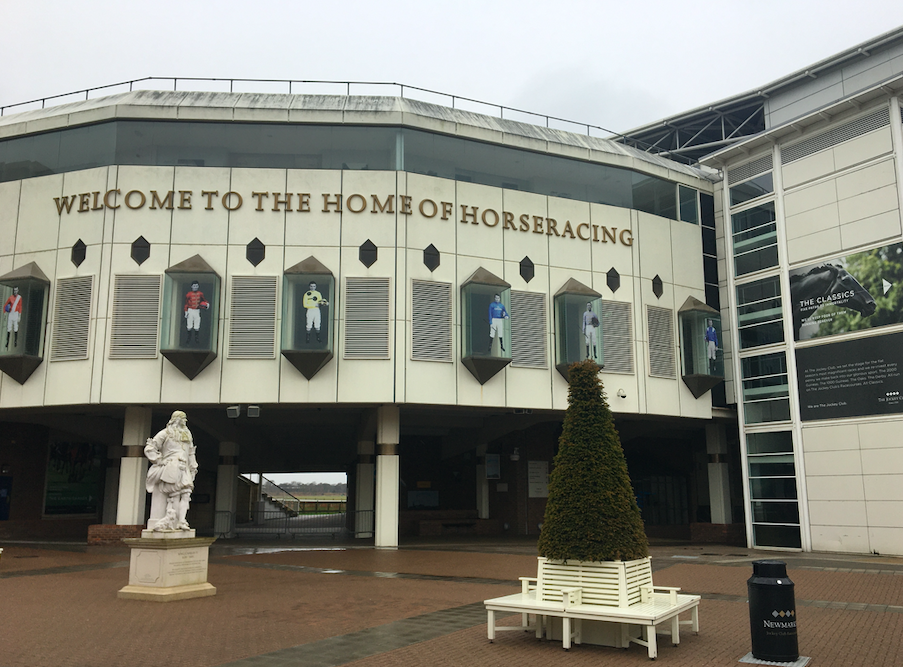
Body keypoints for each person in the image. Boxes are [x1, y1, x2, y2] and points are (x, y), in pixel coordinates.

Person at [144, 410, 198, 532]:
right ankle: (174, 521)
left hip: (184, 466)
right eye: (182, 419)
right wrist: (159, 460)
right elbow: (150, 447)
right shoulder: (165, 433)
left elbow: (190, 452)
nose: (184, 422)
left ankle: (182, 521)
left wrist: (193, 465)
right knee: (175, 495)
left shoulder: (187, 434)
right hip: (172, 466)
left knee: (186, 494)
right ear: (176, 420)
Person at [183, 280, 209, 345]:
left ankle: (196, 338)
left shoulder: (200, 294)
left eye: (196, 286)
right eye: (194, 286)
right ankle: (189, 338)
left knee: (197, 325)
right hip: (190, 310)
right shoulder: (188, 294)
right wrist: (186, 311)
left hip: (197, 310)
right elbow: (186, 303)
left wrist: (206, 305)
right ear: (191, 286)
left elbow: (205, 300)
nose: (195, 287)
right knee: (189, 325)